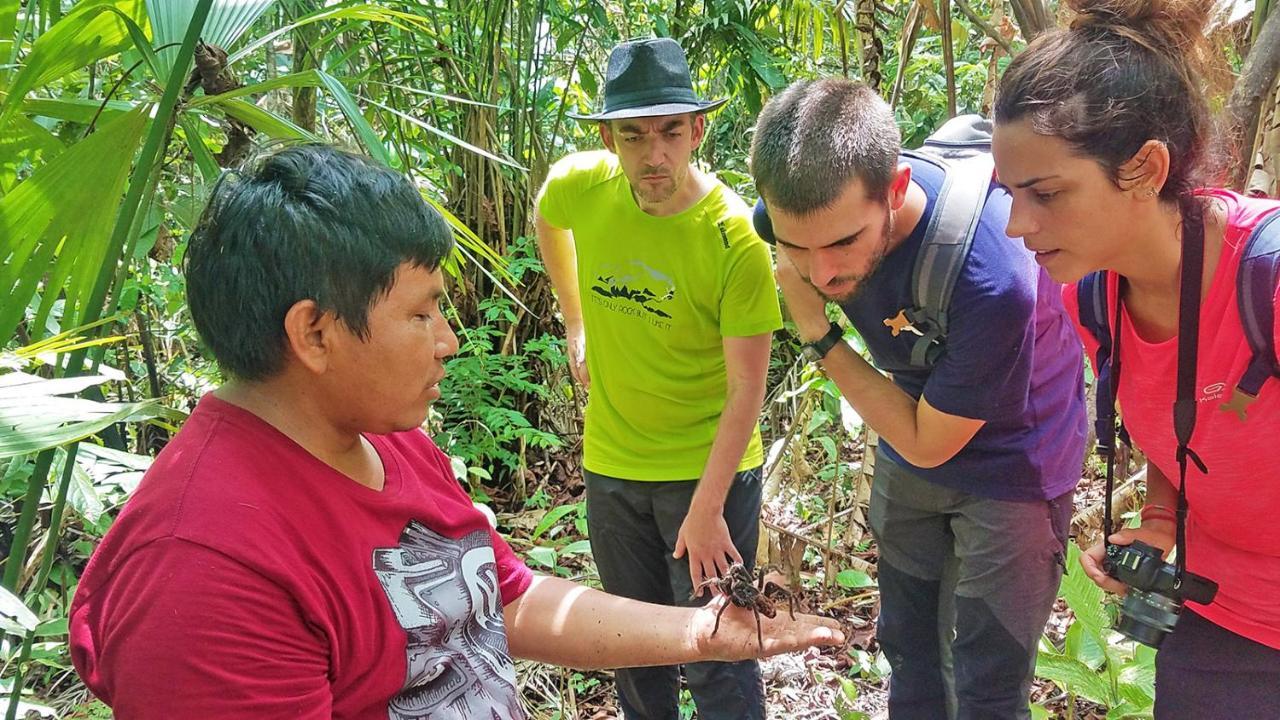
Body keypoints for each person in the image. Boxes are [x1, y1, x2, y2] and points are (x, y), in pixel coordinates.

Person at [66, 144, 843, 719]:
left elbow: (502, 599)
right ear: (315, 333)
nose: (448, 339)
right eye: (420, 312)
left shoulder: (380, 433)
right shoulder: (203, 574)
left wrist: (703, 635)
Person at [750, 78, 1088, 719]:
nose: (819, 272)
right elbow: (914, 440)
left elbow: (926, 440)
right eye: (796, 246)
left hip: (1013, 467)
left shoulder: (991, 276)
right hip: (912, 439)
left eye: (842, 243)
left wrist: (820, 333)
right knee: (908, 650)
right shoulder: (798, 218)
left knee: (987, 681)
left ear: (897, 189)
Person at [991, 0, 1280, 716]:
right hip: (1218, 620)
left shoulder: (1265, 280)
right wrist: (1159, 520)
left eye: (1046, 194)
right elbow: (1184, 428)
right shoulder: (1092, 297)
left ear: (1145, 167)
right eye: (1010, 195)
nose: (1017, 225)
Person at [533, 37, 783, 720]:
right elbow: (547, 219)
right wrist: (574, 318)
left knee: (717, 655)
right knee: (633, 652)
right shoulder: (581, 187)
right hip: (613, 465)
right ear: (610, 137)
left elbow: (746, 392)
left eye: (671, 131)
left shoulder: (733, 239)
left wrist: (706, 511)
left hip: (708, 473)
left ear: (697, 130)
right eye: (633, 135)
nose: (654, 155)